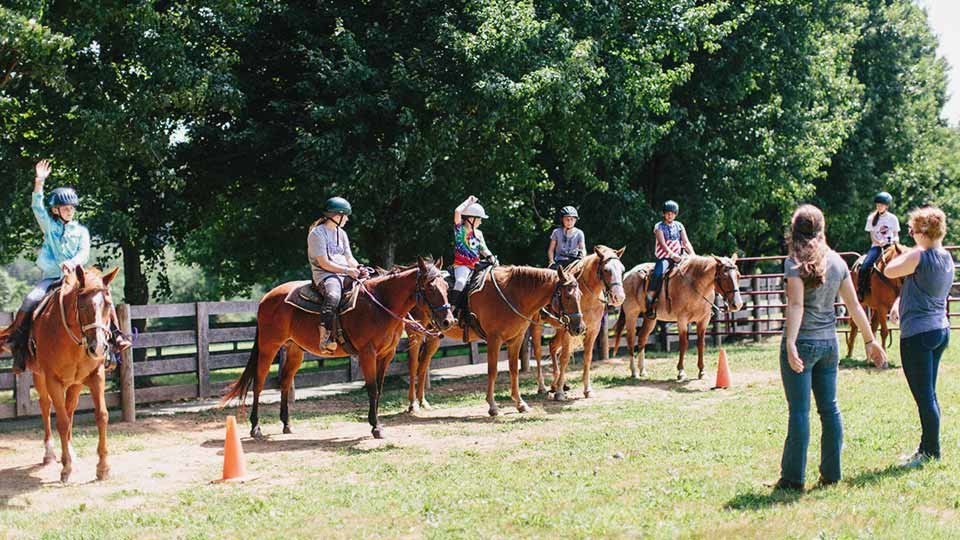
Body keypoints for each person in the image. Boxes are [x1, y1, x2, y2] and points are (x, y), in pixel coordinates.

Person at [776, 204, 887, 492]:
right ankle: (832, 474)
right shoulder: (837, 261)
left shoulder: (794, 262)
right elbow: (853, 305)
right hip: (829, 345)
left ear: (795, 229)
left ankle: (792, 479)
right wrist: (869, 340)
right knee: (830, 409)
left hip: (804, 343)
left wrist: (790, 342)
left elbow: (797, 305)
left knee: (799, 412)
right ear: (821, 228)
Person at [0, 160, 130, 373]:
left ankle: (116, 338)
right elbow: (36, 207)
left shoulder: (82, 232)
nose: (70, 211)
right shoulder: (49, 227)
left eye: (72, 208)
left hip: (78, 278)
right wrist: (39, 180)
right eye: (66, 208)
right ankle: (18, 343)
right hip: (52, 277)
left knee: (104, 297)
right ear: (55, 210)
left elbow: (84, 253)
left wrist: (71, 263)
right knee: (31, 298)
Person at [885, 205, 953, 467]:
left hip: (918, 334)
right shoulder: (946, 257)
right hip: (939, 329)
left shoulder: (919, 256)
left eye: (912, 229)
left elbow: (890, 270)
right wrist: (898, 302)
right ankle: (926, 447)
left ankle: (931, 451)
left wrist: (912, 250)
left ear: (923, 231)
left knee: (925, 397)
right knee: (930, 395)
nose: (910, 233)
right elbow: (921, 286)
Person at [307, 196, 367, 352]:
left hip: (343, 273)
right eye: (345, 215)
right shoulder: (316, 234)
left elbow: (349, 258)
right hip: (325, 275)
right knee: (333, 296)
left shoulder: (342, 233)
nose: (347, 219)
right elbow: (324, 263)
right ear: (336, 216)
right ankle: (325, 338)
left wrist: (359, 267)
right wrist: (348, 270)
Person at [645, 200, 695, 319]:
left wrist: (693, 255)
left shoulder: (679, 226)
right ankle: (650, 300)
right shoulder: (659, 226)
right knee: (658, 273)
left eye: (672, 213)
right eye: (667, 213)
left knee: (696, 272)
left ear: (675, 214)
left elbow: (686, 242)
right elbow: (663, 244)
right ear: (663, 214)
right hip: (665, 258)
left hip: (680, 257)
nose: (670, 215)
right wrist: (673, 256)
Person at [450, 195, 496, 315]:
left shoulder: (479, 233)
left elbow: (483, 248)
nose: (481, 222)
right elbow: (457, 211)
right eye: (479, 219)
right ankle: (452, 309)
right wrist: (469, 201)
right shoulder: (460, 229)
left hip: (477, 265)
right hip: (462, 266)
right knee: (460, 282)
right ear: (471, 219)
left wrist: (490, 256)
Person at [858, 191, 900, 301]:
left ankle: (903, 292)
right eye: (877, 205)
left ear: (886, 206)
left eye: (881, 205)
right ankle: (862, 290)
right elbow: (872, 236)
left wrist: (894, 240)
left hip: (891, 246)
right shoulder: (871, 218)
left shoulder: (893, 218)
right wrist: (879, 242)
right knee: (865, 266)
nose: (879, 207)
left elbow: (896, 235)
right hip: (877, 247)